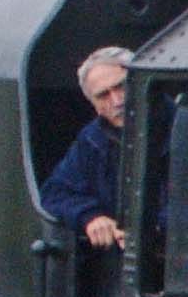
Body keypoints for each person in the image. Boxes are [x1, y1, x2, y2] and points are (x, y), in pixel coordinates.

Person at [41, 48, 136, 249]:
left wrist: (143, 230)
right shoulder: (92, 139)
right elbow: (55, 192)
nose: (117, 101)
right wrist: (91, 216)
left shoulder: (182, 126)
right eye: (103, 95)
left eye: (122, 86)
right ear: (93, 104)